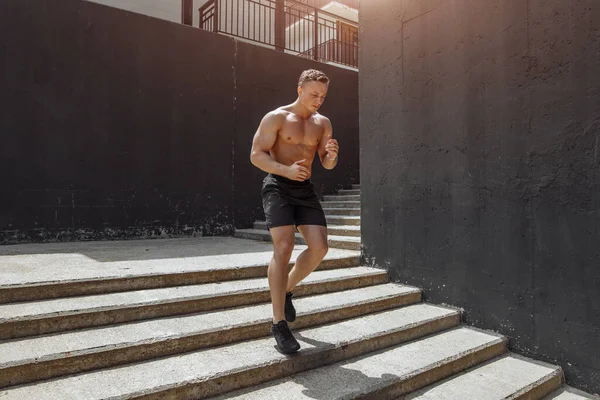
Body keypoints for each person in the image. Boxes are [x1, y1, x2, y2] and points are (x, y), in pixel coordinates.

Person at [249, 69, 339, 354]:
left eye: (323, 96)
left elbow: (326, 164)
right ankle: (278, 323)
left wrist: (332, 156)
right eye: (314, 94)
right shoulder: (276, 117)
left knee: (320, 248)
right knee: (285, 245)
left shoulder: (323, 123)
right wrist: (285, 169)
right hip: (278, 185)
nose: (318, 100)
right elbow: (256, 155)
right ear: (299, 89)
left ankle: (286, 288)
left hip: (305, 190)